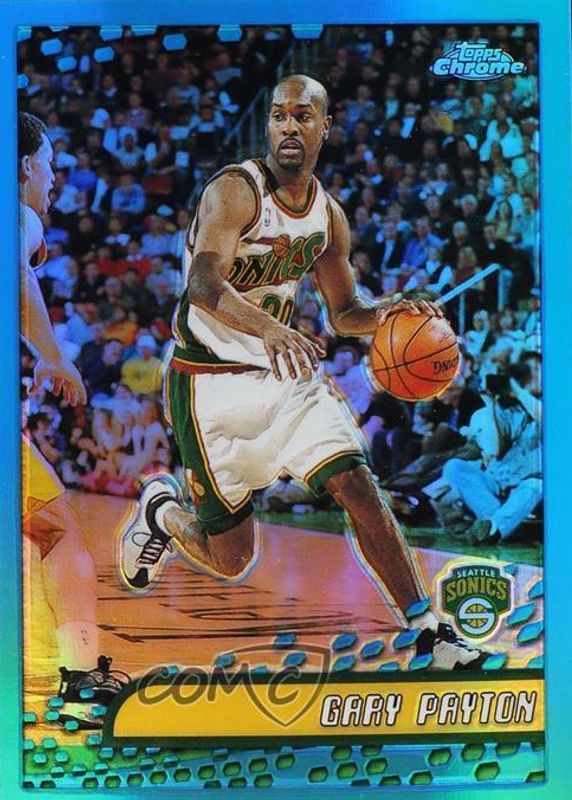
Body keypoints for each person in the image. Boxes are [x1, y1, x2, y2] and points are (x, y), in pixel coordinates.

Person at [119, 75, 489, 670]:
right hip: (206, 384)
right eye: (279, 115)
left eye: (303, 116)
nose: (289, 126)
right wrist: (270, 327)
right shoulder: (235, 190)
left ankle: (429, 632)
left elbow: (344, 313)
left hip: (284, 375)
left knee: (357, 483)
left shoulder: (329, 218)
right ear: (269, 125)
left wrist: (389, 311)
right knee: (232, 558)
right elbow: (204, 285)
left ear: (325, 127)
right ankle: (162, 511)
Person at [19, 112, 128, 725]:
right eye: (49, 165)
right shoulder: (19, 213)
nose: (54, 178)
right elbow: (16, 270)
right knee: (58, 532)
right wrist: (54, 355)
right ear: (24, 166)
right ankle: (83, 683)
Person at [443, 357, 542, 544]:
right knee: (454, 466)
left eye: (536, 371)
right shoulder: (504, 410)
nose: (531, 378)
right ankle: (502, 525)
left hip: (527, 485)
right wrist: (491, 404)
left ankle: (496, 527)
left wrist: (518, 391)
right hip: (498, 484)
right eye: (526, 373)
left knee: (535, 486)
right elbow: (495, 449)